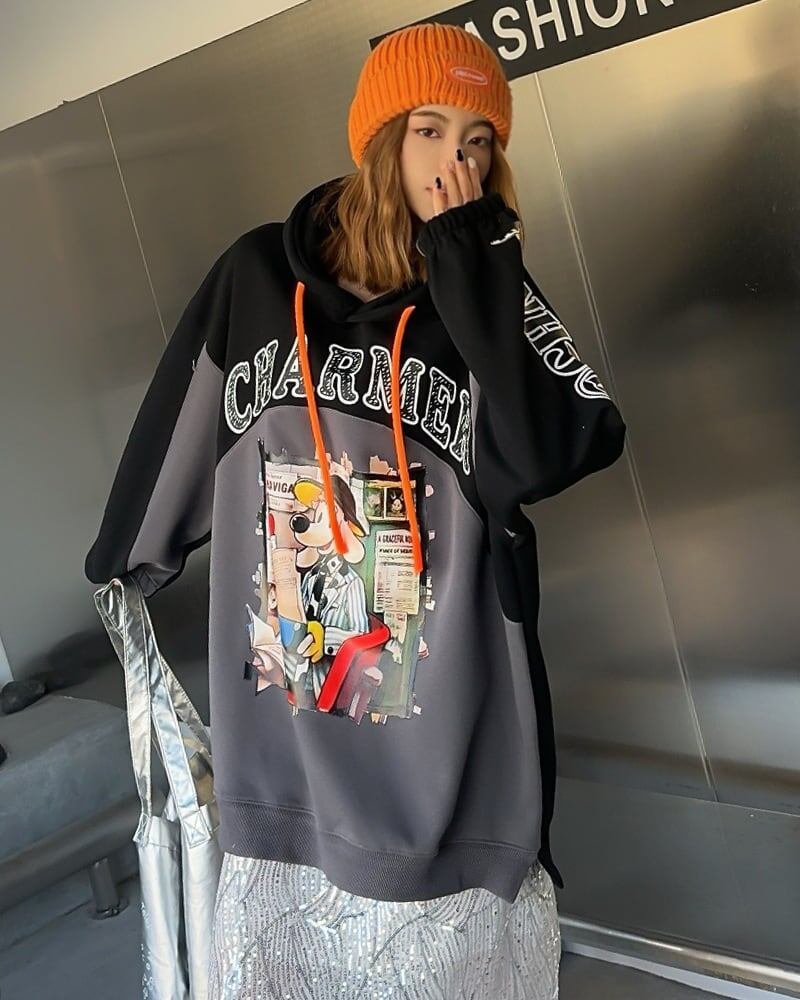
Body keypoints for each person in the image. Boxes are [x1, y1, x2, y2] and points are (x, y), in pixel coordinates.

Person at [85, 21, 627, 999]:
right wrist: (127, 556)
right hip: (285, 741)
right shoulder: (255, 276)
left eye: (478, 141)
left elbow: (561, 447)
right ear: (381, 140)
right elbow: (179, 430)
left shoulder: (487, 287)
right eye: (430, 130)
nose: (456, 163)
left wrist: (471, 270)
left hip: (447, 744)